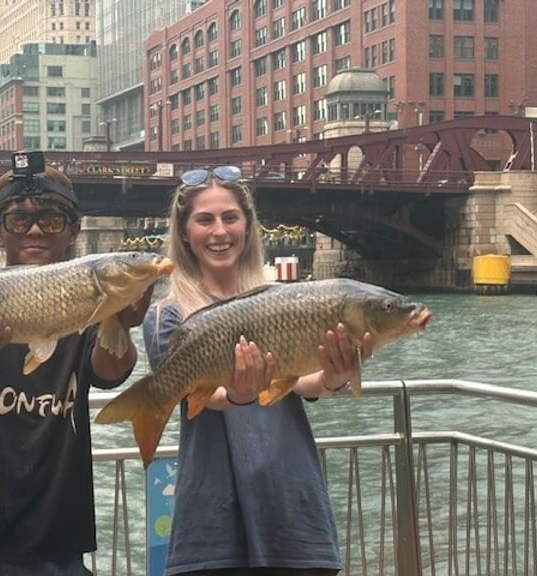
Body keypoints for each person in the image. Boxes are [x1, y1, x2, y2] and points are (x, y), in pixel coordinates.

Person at [0, 151, 152, 576]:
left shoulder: (88, 302)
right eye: (17, 220)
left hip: (57, 542)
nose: (35, 230)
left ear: (74, 231)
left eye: (51, 219)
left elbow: (111, 371)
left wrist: (119, 317)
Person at [142, 165, 374, 576]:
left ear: (248, 227)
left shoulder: (288, 301)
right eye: (205, 220)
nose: (219, 231)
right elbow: (198, 398)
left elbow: (303, 382)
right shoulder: (167, 315)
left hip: (292, 504)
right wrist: (236, 394)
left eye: (231, 218)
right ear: (184, 232)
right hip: (212, 517)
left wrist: (338, 373)